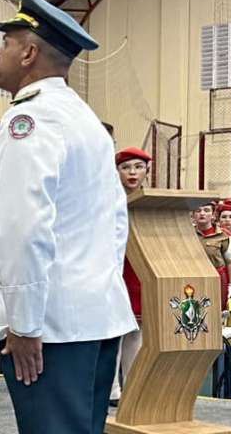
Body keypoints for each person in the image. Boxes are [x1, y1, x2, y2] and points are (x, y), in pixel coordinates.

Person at [0, 0, 138, 433]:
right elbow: (116, 222)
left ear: (29, 53)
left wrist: (24, 324)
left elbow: (26, 227)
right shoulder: (86, 119)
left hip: (50, 329)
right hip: (96, 316)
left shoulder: (29, 120)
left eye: (6, 43)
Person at [109, 147, 152, 405]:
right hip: (115, 268)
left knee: (136, 331)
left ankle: (132, 388)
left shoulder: (152, 202)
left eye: (138, 167)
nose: (132, 173)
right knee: (113, 332)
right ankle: (112, 389)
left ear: (147, 170)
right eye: (125, 167)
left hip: (140, 270)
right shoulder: (108, 199)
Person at [194, 203, 231, 302]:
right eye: (198, 211)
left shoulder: (223, 235)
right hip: (194, 275)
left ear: (213, 215)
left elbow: (230, 261)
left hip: (217, 276)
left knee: (217, 306)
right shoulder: (187, 233)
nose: (202, 213)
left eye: (206, 210)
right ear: (193, 215)